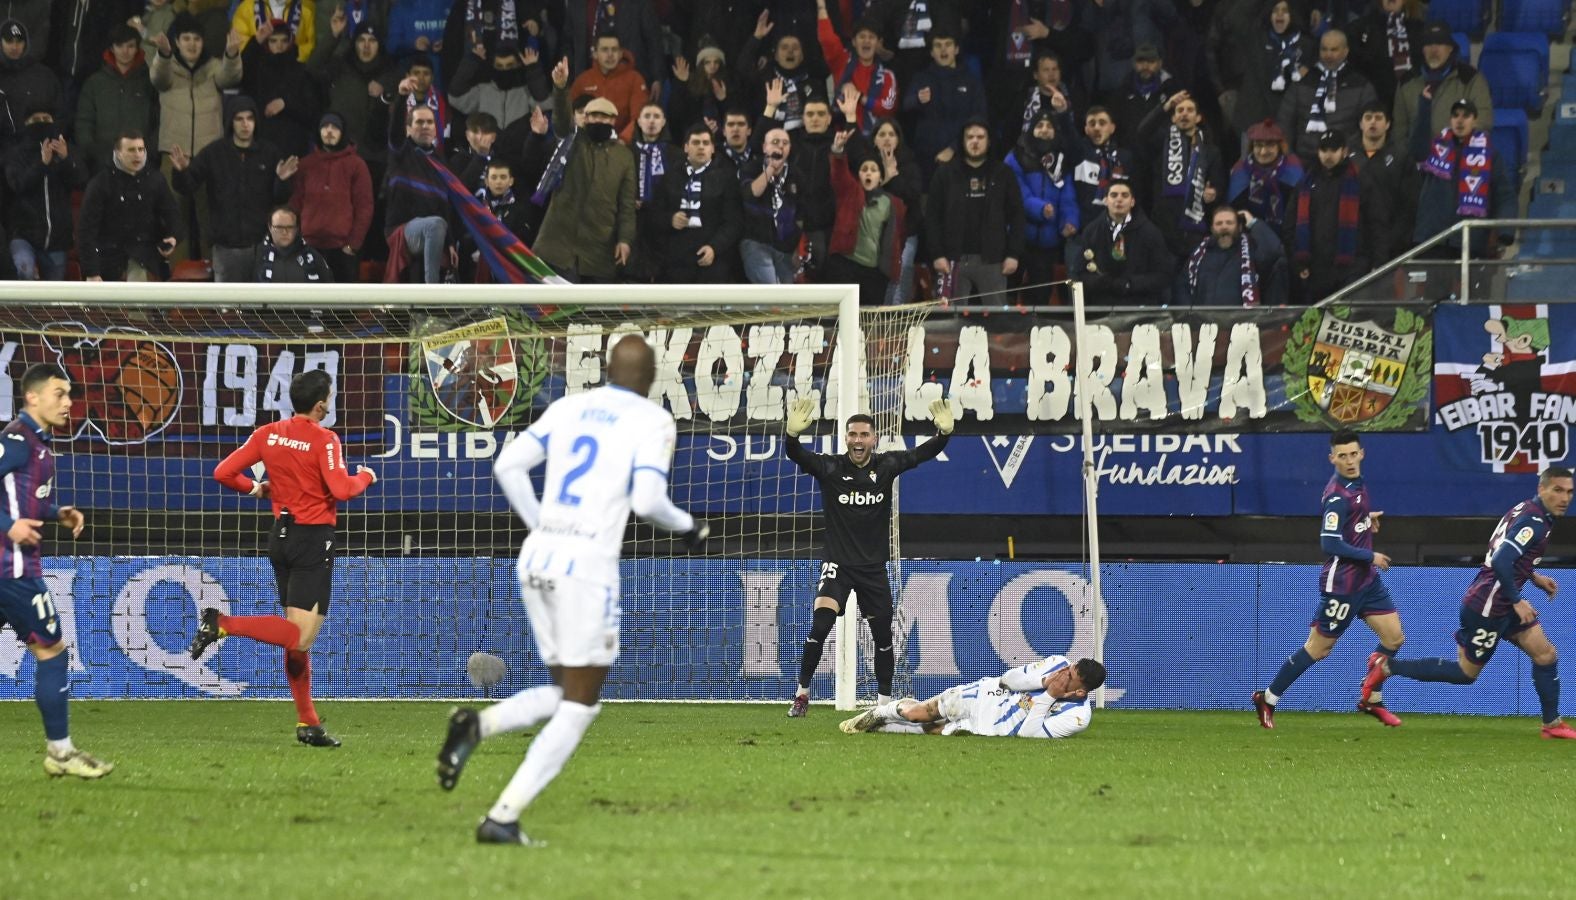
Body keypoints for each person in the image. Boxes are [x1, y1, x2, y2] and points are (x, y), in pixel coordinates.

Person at [436, 336, 709, 846]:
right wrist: (690, 527)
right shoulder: (652, 421)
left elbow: (507, 467)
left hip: (537, 557)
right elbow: (649, 501)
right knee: (581, 705)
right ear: (651, 378)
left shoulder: (569, 406)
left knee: (568, 692)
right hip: (585, 565)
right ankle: (503, 816)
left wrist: (542, 527)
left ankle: (477, 728)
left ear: (607, 369)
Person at [195, 369, 378, 748]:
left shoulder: (268, 434)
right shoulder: (325, 439)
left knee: (297, 640)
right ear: (320, 404)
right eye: (329, 396)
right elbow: (342, 490)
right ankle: (223, 624)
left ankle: (308, 723)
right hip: (313, 540)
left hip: (280, 537)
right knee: (298, 636)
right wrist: (366, 478)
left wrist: (255, 489)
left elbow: (222, 472)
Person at [1360, 468, 1576, 739]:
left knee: (1546, 655)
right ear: (1542, 488)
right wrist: (1517, 600)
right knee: (1466, 673)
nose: (1564, 498)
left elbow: (1500, 549)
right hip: (1490, 605)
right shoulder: (1534, 521)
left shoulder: (1529, 510)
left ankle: (1552, 724)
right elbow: (1500, 560)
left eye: (1569, 492)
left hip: (1502, 600)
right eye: (1557, 490)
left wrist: (1532, 576)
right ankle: (1387, 667)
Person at [783, 395, 953, 717]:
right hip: (838, 562)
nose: (857, 440)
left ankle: (884, 707)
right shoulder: (830, 468)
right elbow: (797, 454)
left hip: (873, 568)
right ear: (845, 438)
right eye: (852, 434)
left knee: (883, 637)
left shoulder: (886, 466)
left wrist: (944, 435)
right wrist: (791, 436)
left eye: (863, 435)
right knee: (820, 625)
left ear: (874, 439)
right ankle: (802, 694)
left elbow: (921, 454)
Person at [0, 364, 111, 779]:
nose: (68, 403)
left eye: (69, 395)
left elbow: (21, 502)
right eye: (59, 393)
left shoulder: (39, 444)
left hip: (12, 566)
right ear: (32, 397)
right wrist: (7, 526)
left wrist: (55, 513)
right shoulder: (16, 439)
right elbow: (10, 515)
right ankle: (61, 753)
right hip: (11, 569)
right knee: (52, 651)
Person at [1253, 429, 1405, 729]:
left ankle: (1370, 698)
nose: (1349, 460)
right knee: (1318, 648)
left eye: (1353, 454)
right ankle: (1268, 698)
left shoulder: (1357, 485)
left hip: (1367, 581)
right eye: (1342, 456)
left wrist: (1364, 521)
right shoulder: (1337, 496)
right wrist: (1370, 556)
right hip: (1344, 583)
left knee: (1394, 637)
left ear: (1361, 454)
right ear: (1332, 459)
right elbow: (1330, 543)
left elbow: (1350, 524)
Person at [170, 96, 297, 282]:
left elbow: (280, 198)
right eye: (239, 119)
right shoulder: (214, 153)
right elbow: (187, 187)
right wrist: (182, 171)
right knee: (228, 308)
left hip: (262, 246)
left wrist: (282, 181)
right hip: (226, 248)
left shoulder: (269, 153)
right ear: (230, 121)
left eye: (250, 118)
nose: (245, 124)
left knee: (261, 307)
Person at [534, 59, 635, 283]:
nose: (598, 120)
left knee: (592, 316)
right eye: (593, 116)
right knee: (550, 314)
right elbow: (561, 121)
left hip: (599, 249)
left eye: (604, 117)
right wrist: (560, 88)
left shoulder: (624, 156)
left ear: (613, 121)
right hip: (557, 245)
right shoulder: (573, 140)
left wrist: (625, 240)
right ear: (585, 119)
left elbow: (627, 205)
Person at [839, 655, 1106, 739]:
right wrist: (1043, 681)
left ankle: (882, 727)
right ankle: (880, 712)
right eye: (1066, 671)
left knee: (933, 730)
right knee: (918, 714)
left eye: (1068, 678)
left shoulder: (1078, 717)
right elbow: (1008, 679)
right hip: (986, 694)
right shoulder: (1056, 663)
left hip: (993, 727)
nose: (1062, 675)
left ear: (1080, 691)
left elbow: (1028, 735)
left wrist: (1048, 696)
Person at [923, 118, 1024, 301]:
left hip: (993, 260)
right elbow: (932, 217)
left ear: (989, 140)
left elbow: (1017, 216)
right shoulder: (945, 173)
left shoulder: (1003, 173)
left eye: (980, 137)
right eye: (970, 137)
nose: (975, 141)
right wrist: (937, 254)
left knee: (996, 322)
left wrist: (1013, 254)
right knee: (950, 323)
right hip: (952, 260)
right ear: (962, 141)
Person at [1412, 98, 1514, 260]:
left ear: (1475, 120)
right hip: (1433, 239)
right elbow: (1416, 149)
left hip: (1470, 241)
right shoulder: (1434, 149)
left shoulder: (1490, 155)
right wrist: (1424, 106)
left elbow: (1504, 194)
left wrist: (1505, 231)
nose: (1459, 120)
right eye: (1455, 115)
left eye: (1465, 115)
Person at [77, 131, 181, 282]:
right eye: (131, 150)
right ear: (118, 153)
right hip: (109, 261)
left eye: (141, 149)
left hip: (147, 259)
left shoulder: (155, 180)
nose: (137, 155)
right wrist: (92, 271)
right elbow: (86, 231)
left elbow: (173, 215)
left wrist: (174, 236)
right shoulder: (100, 183)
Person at [291, 111, 374, 284]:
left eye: (335, 127)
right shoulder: (306, 164)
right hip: (309, 246)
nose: (329, 131)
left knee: (343, 307)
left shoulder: (356, 165)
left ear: (343, 132)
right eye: (325, 126)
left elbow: (364, 207)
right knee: (308, 306)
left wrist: (353, 245)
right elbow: (295, 205)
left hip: (342, 249)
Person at [1286, 129, 1367, 303]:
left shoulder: (1360, 181)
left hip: (1350, 267)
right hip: (1315, 268)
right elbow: (1290, 224)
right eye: (1324, 150)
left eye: (1333, 150)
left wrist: (1369, 261)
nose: (1328, 155)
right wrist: (1299, 261)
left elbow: (1374, 222)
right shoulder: (1305, 183)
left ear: (1344, 151)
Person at [654, 122, 741, 285]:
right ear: (686, 147)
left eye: (706, 143)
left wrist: (715, 247)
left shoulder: (726, 178)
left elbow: (733, 222)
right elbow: (654, 215)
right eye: (695, 142)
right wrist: (670, 219)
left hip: (714, 262)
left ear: (713, 148)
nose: (701, 147)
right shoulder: (669, 177)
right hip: (675, 263)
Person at [1277, 29, 1377, 162]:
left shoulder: (1361, 85)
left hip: (1348, 163)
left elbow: (1371, 129)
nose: (1328, 55)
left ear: (1345, 51)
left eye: (1334, 50)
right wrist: (1289, 161)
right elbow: (1285, 124)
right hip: (1306, 161)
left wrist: (1359, 162)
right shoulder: (1302, 83)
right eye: (1324, 49)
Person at [901, 28, 984, 182]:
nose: (943, 49)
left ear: (957, 49)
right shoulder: (921, 78)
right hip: (927, 160)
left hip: (962, 157)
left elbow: (979, 118)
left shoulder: (971, 81)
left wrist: (953, 148)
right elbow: (906, 105)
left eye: (948, 44)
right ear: (932, 52)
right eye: (938, 45)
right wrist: (918, 99)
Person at [74, 23, 157, 174]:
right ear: (111, 48)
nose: (125, 51)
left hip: (142, 165)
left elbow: (159, 122)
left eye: (130, 46)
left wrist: (146, 153)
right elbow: (83, 123)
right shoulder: (95, 83)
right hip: (102, 166)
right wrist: (95, 153)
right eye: (120, 45)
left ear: (138, 48)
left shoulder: (149, 82)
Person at [1075, 179, 1171, 306]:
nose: (1119, 200)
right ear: (1105, 200)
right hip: (1101, 308)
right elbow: (1079, 274)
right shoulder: (1091, 231)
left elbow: (1162, 276)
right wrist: (1102, 282)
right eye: (1113, 195)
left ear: (1132, 202)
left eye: (1125, 195)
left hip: (1139, 306)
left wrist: (1129, 284)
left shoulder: (1151, 233)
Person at [1183, 206, 1286, 306]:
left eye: (1229, 222)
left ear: (1240, 227)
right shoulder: (1198, 255)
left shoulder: (1252, 249)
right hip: (1203, 320)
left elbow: (1275, 252)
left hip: (1243, 320)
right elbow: (1183, 288)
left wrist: (1253, 223)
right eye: (1219, 223)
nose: (1224, 227)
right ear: (1212, 229)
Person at [567, 32, 647, 138]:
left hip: (623, 145)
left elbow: (639, 118)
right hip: (587, 143)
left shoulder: (635, 79)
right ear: (594, 54)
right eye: (605, 49)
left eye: (614, 49)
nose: (610, 54)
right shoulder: (583, 80)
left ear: (621, 53)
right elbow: (568, 116)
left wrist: (622, 140)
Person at [254, 204, 333, 281]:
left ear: (297, 229)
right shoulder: (253, 257)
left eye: (290, 227)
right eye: (279, 227)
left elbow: (330, 289)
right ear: (270, 227)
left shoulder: (314, 258)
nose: (284, 232)